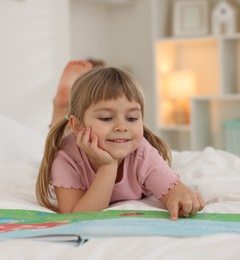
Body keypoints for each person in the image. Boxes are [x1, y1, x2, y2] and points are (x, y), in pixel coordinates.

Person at [36, 61, 205, 220]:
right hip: (73, 139)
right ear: (78, 125)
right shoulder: (66, 158)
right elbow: (76, 216)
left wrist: (181, 198)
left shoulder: (143, 154)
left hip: (81, 130)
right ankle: (61, 108)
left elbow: (176, 192)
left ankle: (66, 106)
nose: (121, 127)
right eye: (106, 117)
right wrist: (108, 166)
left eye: (131, 118)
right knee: (58, 138)